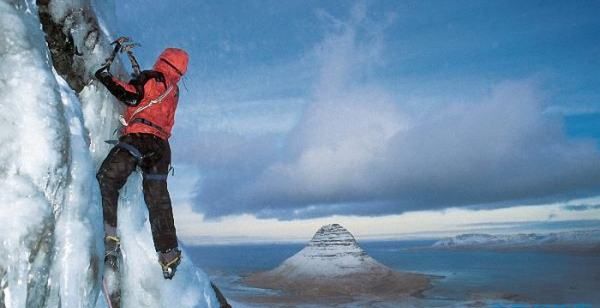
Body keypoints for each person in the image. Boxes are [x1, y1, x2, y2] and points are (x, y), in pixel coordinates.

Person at [94, 47, 189, 279]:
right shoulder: (174, 90)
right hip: (161, 149)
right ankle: (168, 254)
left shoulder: (151, 76)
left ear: (162, 59)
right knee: (157, 199)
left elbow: (132, 95)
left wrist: (104, 77)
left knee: (108, 178)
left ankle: (109, 237)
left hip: (139, 139)